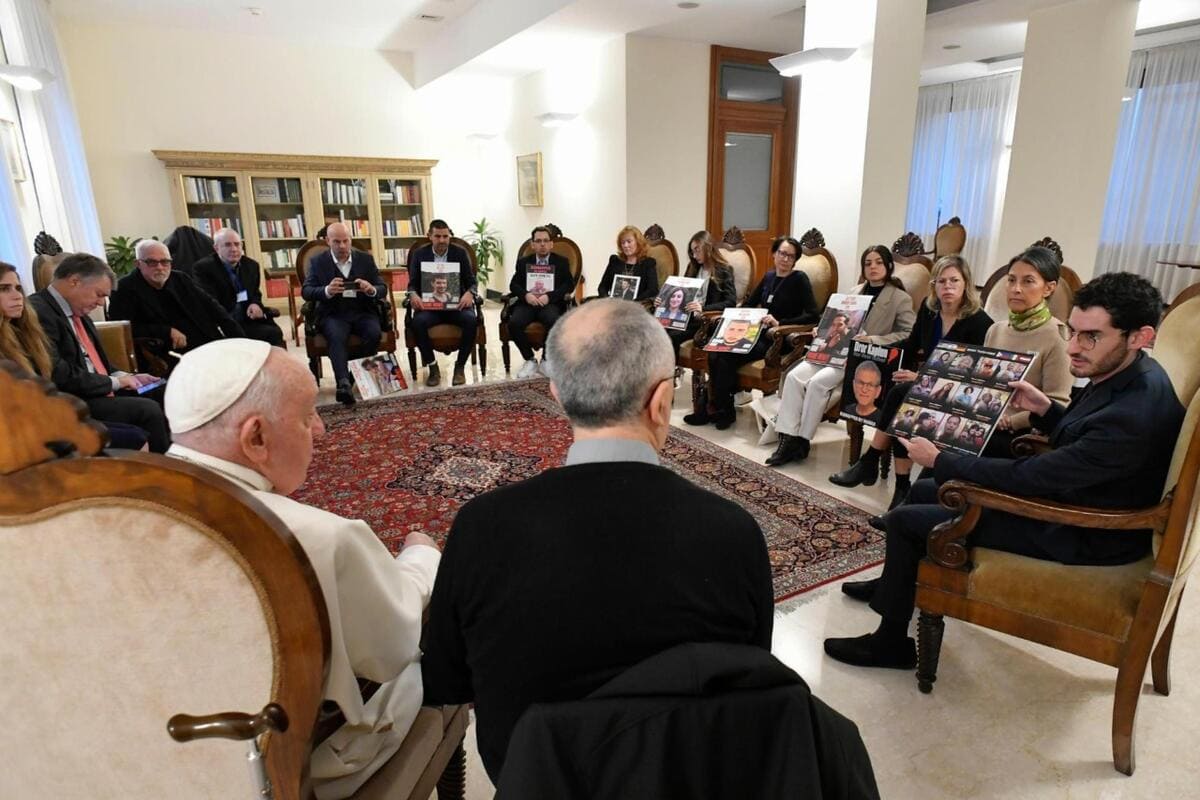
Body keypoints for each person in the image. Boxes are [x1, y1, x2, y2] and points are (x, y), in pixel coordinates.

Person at [421, 299, 774, 782]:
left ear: (557, 396)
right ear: (663, 401)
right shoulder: (733, 534)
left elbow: (445, 679)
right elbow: (753, 687)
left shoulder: (481, 526)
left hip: (533, 783)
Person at [826, 272, 1184, 669]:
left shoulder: (1132, 413)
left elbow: (1034, 477)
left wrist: (941, 460)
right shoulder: (1132, 373)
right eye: (1074, 333)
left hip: (1082, 528)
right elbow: (1086, 444)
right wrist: (1046, 409)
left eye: (1091, 337)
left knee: (909, 518)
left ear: (1139, 336)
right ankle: (897, 583)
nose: (1073, 348)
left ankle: (890, 644)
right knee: (929, 491)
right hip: (1080, 493)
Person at [163, 339, 441, 799]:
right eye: (308, 413)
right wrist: (421, 557)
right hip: (287, 766)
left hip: (157, 744)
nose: (322, 429)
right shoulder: (320, 537)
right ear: (255, 437)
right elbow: (393, 645)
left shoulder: (105, 509)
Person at [828, 255, 992, 499]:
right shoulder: (929, 309)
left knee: (900, 396)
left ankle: (875, 465)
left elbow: (969, 375)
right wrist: (877, 351)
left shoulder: (980, 323)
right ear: (934, 284)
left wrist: (920, 378)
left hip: (959, 395)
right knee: (899, 393)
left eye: (954, 281)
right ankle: (898, 485)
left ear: (966, 283)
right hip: (926, 386)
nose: (948, 287)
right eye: (941, 281)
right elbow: (911, 344)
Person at [767, 245, 915, 467]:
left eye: (878, 262)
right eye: (868, 263)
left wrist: (873, 340)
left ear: (888, 266)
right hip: (832, 350)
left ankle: (801, 440)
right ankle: (787, 438)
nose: (873, 267)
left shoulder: (899, 298)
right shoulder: (854, 292)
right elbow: (835, 318)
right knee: (794, 376)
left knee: (817, 383)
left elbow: (908, 333)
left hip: (861, 357)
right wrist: (821, 329)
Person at [29, 254, 170, 452]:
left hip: (95, 387)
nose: (102, 303)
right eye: (99, 294)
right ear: (74, 282)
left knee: (161, 390)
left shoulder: (78, 311)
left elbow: (97, 362)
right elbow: (57, 372)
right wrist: (116, 382)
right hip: (72, 399)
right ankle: (163, 472)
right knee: (148, 410)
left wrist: (127, 376)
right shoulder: (38, 312)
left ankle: (177, 459)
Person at [2, 261, 150, 450]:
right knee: (138, 433)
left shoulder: (22, 332)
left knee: (147, 413)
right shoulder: (42, 312)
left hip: (46, 414)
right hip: (25, 431)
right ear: (74, 282)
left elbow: (41, 383)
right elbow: (55, 377)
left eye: (17, 288)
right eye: (5, 289)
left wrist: (124, 377)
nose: (17, 296)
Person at [687, 235, 820, 431]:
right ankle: (712, 407)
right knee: (715, 351)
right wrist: (735, 316)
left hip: (777, 339)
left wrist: (779, 322)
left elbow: (812, 315)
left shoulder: (799, 279)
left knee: (726, 355)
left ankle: (723, 409)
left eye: (790, 256)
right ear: (774, 254)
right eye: (782, 253)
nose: (785, 259)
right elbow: (749, 304)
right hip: (756, 333)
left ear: (795, 260)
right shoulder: (768, 277)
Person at [108, 239, 245, 371]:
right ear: (138, 263)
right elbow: (122, 329)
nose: (160, 267)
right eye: (151, 262)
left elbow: (212, 307)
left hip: (202, 340)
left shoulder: (180, 278)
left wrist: (241, 342)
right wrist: (166, 331)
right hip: (162, 350)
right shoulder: (124, 288)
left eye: (165, 262)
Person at [300, 222, 387, 405]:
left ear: (350, 240)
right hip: (334, 313)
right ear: (327, 241)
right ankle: (343, 383)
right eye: (336, 242)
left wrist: (371, 289)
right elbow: (306, 291)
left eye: (345, 241)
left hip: (363, 311)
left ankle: (353, 379)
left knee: (373, 333)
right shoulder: (318, 262)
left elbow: (382, 288)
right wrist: (326, 291)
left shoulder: (365, 259)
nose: (342, 246)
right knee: (336, 335)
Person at [405, 219, 477, 387]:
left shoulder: (459, 253)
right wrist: (413, 294)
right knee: (418, 322)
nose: (442, 240)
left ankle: (459, 367)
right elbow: (412, 283)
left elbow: (471, 281)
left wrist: (469, 293)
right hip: (430, 307)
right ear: (429, 236)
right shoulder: (420, 254)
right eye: (438, 236)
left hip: (455, 306)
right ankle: (433, 367)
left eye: (446, 236)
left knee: (471, 320)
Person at [192, 228, 285, 348]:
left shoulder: (251, 266)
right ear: (216, 248)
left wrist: (255, 304)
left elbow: (255, 292)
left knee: (274, 333)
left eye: (237, 244)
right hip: (223, 323)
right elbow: (209, 301)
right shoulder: (203, 269)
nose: (234, 249)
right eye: (227, 245)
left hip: (248, 319)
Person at [508, 225, 575, 378]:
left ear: (551, 244)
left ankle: (546, 360)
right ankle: (530, 360)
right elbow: (513, 284)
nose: (542, 244)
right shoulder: (523, 262)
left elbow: (569, 285)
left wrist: (550, 296)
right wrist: (526, 295)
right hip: (528, 303)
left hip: (549, 303)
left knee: (553, 320)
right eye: (538, 241)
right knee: (514, 323)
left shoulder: (561, 262)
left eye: (546, 241)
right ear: (532, 244)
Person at [660, 230, 737, 355]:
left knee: (672, 336)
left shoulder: (724, 270)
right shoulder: (693, 268)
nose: (694, 255)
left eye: (697, 250)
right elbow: (681, 292)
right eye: (692, 251)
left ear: (708, 247)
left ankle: (669, 371)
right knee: (658, 331)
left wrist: (703, 308)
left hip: (705, 321)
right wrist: (664, 301)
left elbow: (731, 302)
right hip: (686, 317)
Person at [596, 225, 658, 301]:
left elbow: (652, 290)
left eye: (629, 241)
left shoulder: (648, 263)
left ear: (638, 242)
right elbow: (602, 287)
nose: (625, 245)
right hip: (613, 305)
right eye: (623, 242)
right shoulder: (615, 261)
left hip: (636, 306)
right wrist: (607, 300)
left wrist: (633, 302)